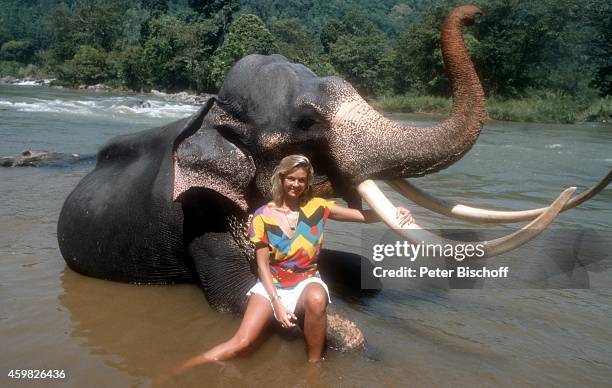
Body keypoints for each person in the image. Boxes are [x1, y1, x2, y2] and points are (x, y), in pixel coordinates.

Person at [181, 154, 414, 366]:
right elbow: (262, 264)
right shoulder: (262, 216)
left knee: (316, 297)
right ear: (282, 179)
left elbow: (363, 217)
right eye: (291, 179)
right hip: (273, 284)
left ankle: (313, 369)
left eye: (301, 180)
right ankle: (182, 369)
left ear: (307, 182)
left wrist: (394, 212)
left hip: (306, 280)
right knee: (241, 343)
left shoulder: (318, 207)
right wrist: (276, 303)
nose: (296, 185)